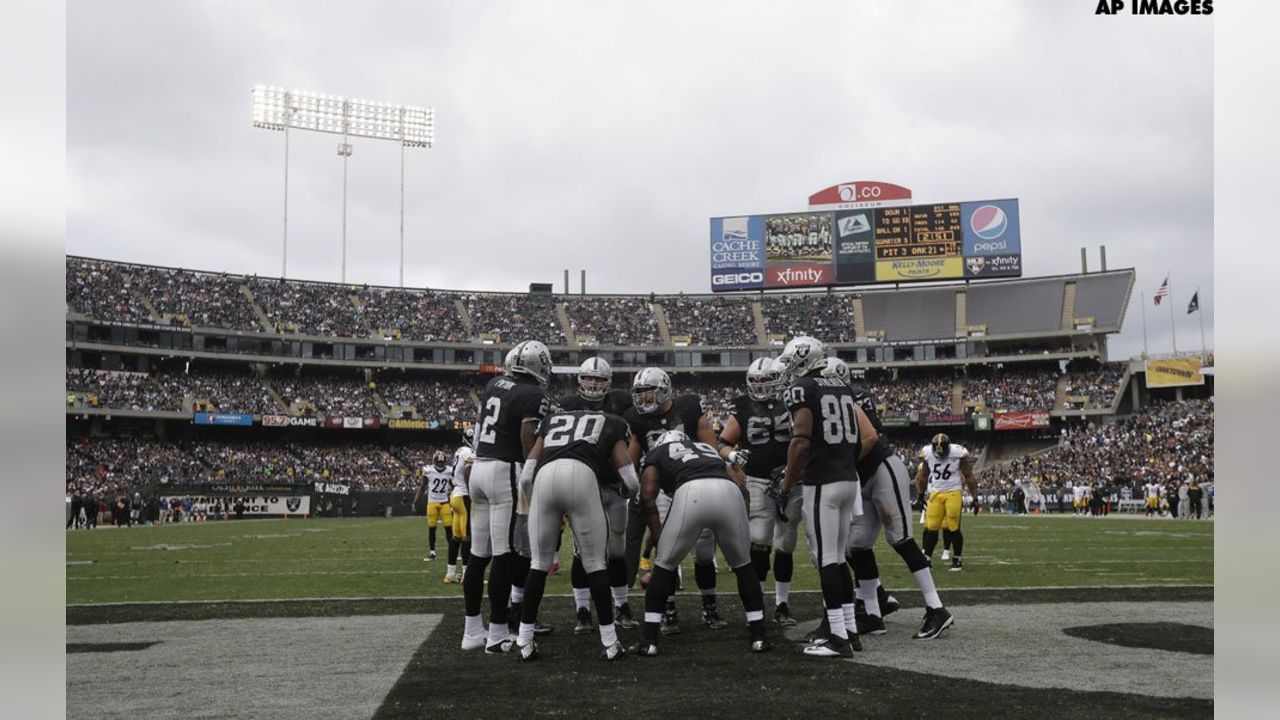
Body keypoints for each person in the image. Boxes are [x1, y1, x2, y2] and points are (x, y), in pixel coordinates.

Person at [824, 358, 953, 640]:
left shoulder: (852, 397)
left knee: (901, 538)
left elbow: (868, 438)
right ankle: (873, 614)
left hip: (881, 467)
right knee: (857, 545)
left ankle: (937, 608)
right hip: (862, 476)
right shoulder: (838, 399)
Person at [776, 336, 878, 658]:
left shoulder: (803, 388)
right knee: (836, 558)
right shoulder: (842, 386)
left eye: (792, 361)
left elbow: (801, 440)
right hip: (848, 479)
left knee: (826, 560)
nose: (789, 368)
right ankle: (847, 629)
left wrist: (787, 483)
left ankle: (837, 638)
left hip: (823, 483)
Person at [512, 407, 639, 662]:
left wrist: (535, 502)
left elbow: (526, 476)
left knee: (538, 565)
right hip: (582, 475)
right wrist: (626, 494)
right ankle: (610, 641)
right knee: (595, 564)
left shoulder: (552, 421)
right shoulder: (611, 422)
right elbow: (631, 480)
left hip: (545, 476)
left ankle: (524, 640)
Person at [630, 429, 770, 657]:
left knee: (664, 566)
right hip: (729, 491)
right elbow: (740, 483)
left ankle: (649, 640)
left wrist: (656, 533)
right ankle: (759, 636)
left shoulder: (657, 452)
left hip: (690, 492)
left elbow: (647, 494)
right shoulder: (707, 450)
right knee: (744, 566)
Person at [461, 340, 553, 654]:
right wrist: (535, 475)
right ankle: (498, 632)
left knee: (477, 555)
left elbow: (476, 428)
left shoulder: (492, 384)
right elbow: (528, 441)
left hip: (480, 465)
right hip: (505, 470)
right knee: (503, 554)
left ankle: (472, 630)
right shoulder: (534, 394)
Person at [622, 367, 723, 634]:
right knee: (665, 552)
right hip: (662, 489)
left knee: (703, 552)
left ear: (664, 389)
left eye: (648, 393)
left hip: (693, 484)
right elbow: (631, 460)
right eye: (639, 395)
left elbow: (710, 449)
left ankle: (710, 608)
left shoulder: (689, 407)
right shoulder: (636, 419)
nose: (643, 400)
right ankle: (668, 611)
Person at [716, 357, 803, 626]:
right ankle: (759, 604)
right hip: (758, 480)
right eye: (756, 381)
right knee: (759, 539)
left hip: (792, 479)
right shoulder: (742, 405)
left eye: (766, 380)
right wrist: (732, 456)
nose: (761, 386)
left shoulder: (793, 400)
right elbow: (722, 442)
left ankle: (782, 604)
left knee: (786, 543)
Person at [556, 357, 639, 631]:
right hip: (582, 485)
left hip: (613, 485)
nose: (593, 384)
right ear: (580, 380)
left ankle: (622, 605)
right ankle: (582, 610)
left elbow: (636, 433)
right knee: (583, 550)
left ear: (609, 382)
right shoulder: (567, 406)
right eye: (589, 378)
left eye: (600, 379)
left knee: (617, 549)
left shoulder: (622, 403)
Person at [916, 433, 979, 573]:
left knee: (953, 527)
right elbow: (923, 476)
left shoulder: (958, 453)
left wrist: (975, 497)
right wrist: (921, 495)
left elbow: (968, 476)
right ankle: (927, 559)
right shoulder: (927, 454)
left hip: (953, 492)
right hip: (936, 493)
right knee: (931, 527)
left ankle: (957, 559)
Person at [445, 427, 475, 584]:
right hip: (463, 495)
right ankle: (466, 574)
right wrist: (472, 491)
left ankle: (450, 573)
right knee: (467, 537)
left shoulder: (458, 451)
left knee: (456, 537)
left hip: (455, 495)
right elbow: (468, 472)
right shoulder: (469, 452)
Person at [414, 451, 454, 562]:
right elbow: (422, 487)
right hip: (433, 502)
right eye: (439, 461)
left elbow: (454, 486)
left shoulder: (449, 471)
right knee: (433, 529)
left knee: (448, 529)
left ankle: (451, 551)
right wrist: (415, 501)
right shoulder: (429, 471)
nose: (440, 464)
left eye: (442, 462)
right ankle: (432, 552)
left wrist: (415, 501)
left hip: (444, 502)